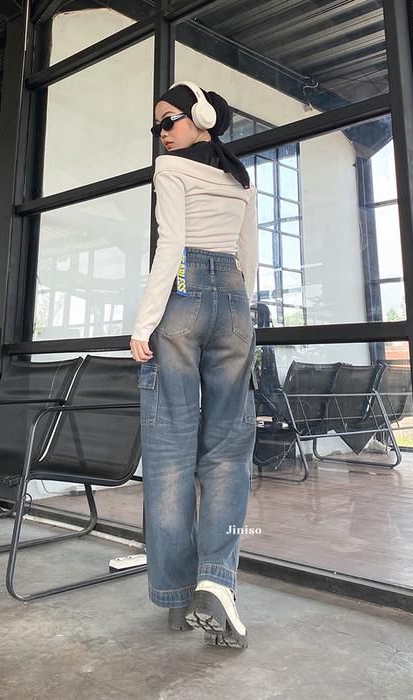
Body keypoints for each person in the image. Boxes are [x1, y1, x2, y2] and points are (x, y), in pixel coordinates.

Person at [130, 81, 258, 649]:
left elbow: (171, 246)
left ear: (201, 118)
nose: (161, 133)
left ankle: (177, 593)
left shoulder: (170, 169)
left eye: (169, 121)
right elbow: (248, 257)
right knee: (229, 452)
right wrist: (237, 311)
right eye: (157, 126)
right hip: (233, 300)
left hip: (181, 294)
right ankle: (217, 581)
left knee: (170, 452)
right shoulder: (241, 179)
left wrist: (145, 322)